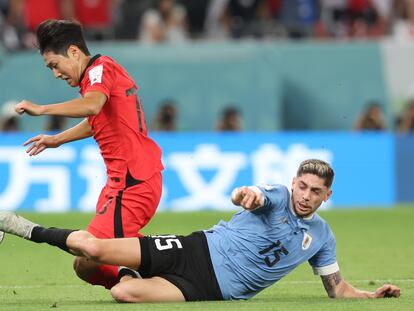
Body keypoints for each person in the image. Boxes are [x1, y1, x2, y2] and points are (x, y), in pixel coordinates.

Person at [0, 159, 401, 302]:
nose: (306, 196)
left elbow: (337, 289)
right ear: (293, 182)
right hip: (195, 251)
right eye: (302, 186)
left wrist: (372, 294)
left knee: (124, 292)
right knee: (91, 257)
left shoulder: (323, 237)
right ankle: (15, 223)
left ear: (326, 195)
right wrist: (244, 195)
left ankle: (136, 271)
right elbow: (250, 195)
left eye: (316, 192)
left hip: (209, 290)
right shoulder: (277, 196)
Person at [13, 19, 164, 290]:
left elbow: (92, 107)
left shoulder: (100, 69)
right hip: (121, 184)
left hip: (133, 183)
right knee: (85, 266)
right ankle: (147, 270)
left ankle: (172, 264)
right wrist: (56, 140)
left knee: (89, 256)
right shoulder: (96, 77)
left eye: (54, 65)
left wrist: (42, 109)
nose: (55, 74)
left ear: (73, 52)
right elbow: (98, 118)